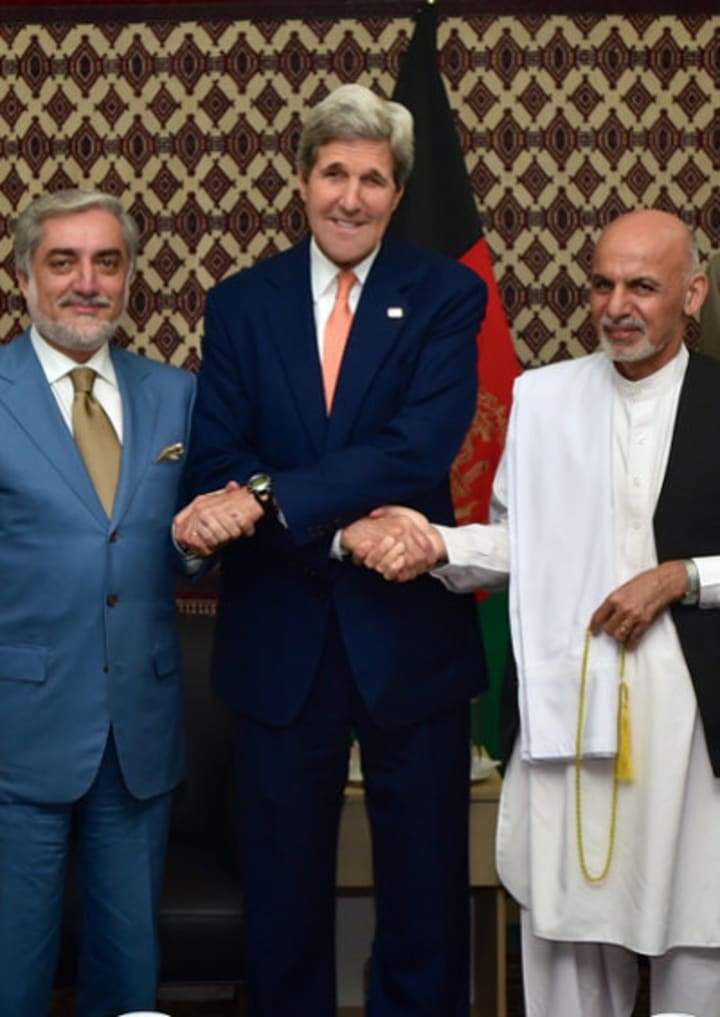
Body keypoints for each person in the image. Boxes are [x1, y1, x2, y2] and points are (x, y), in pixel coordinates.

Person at [356, 208, 720, 1016]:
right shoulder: (544, 398)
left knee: (700, 941)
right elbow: (523, 544)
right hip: (570, 711)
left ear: (692, 294)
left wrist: (683, 577)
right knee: (568, 947)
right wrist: (437, 544)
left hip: (692, 728)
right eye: (601, 285)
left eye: (642, 287)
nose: (616, 306)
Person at [174, 83, 488, 1016]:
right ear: (303, 179)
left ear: (399, 191)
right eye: (334, 173)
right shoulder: (241, 303)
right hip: (280, 643)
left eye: (373, 179)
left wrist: (275, 495)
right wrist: (344, 526)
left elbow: (416, 448)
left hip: (409, 643)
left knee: (426, 902)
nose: (351, 197)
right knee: (282, 904)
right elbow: (218, 458)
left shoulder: (446, 294)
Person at [0, 188, 197, 1017]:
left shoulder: (177, 395)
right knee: (12, 966)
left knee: (127, 968)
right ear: (24, 277)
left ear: (128, 278)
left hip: (138, 727)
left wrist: (203, 537)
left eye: (106, 262)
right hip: (17, 726)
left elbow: (184, 542)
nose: (87, 282)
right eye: (64, 261)